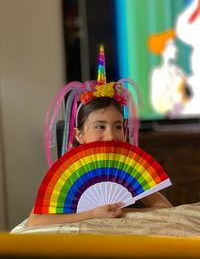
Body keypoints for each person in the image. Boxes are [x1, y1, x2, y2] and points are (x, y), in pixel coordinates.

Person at [27, 78, 172, 227]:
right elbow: (35, 221)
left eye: (117, 127)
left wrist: (122, 211)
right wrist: (92, 214)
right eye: (100, 127)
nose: (110, 135)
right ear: (79, 135)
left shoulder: (126, 167)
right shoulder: (72, 170)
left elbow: (165, 209)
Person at [148, 29, 192, 117]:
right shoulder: (157, 73)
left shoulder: (179, 72)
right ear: (163, 49)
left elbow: (188, 96)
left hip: (185, 117)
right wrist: (174, 99)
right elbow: (156, 104)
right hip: (167, 120)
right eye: (172, 46)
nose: (175, 49)